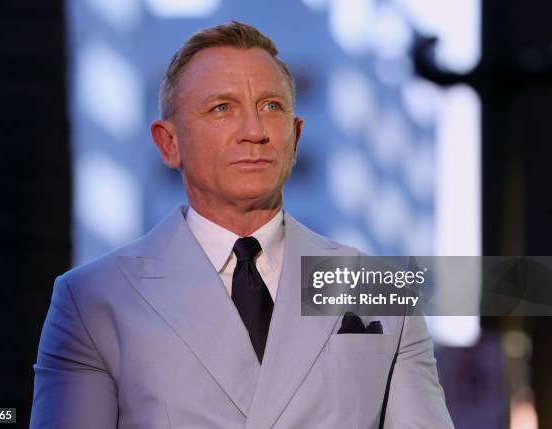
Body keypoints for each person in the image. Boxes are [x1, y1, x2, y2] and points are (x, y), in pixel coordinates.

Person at [30, 21, 454, 429]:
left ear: (296, 135)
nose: (254, 131)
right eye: (222, 108)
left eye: (271, 107)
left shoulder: (377, 288)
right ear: (169, 142)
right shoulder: (94, 299)